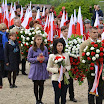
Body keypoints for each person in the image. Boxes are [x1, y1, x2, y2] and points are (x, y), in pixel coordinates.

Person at [80, 27, 104, 104]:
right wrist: (87, 67)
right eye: (94, 32)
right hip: (90, 70)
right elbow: (81, 57)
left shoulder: (100, 43)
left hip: (99, 70)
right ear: (89, 33)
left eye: (96, 32)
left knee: (100, 88)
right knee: (91, 88)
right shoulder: (85, 44)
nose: (96, 34)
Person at [47, 38, 71, 104]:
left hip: (65, 77)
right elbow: (48, 67)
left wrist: (65, 69)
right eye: (58, 45)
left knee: (64, 96)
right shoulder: (52, 56)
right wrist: (57, 70)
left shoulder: (66, 55)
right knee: (57, 95)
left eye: (61, 45)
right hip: (56, 78)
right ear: (55, 46)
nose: (60, 47)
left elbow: (69, 65)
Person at [27, 34, 49, 104]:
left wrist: (43, 58)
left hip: (42, 67)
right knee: (36, 84)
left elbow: (48, 57)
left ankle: (40, 99)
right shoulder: (32, 49)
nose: (39, 41)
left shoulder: (45, 48)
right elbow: (29, 58)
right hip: (35, 67)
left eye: (40, 39)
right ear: (35, 40)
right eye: (38, 39)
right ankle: (37, 99)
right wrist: (36, 59)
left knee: (42, 84)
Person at [61, 26, 77, 102]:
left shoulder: (70, 40)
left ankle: (72, 96)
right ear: (61, 32)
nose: (66, 33)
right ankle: (62, 96)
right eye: (64, 31)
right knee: (63, 80)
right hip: (63, 61)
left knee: (70, 79)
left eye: (67, 31)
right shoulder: (60, 40)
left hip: (70, 62)